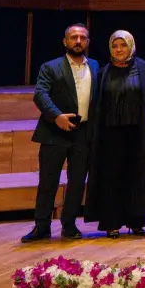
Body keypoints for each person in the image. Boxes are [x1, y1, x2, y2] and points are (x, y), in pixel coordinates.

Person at [24, 24, 99, 243]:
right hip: (54, 132)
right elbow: (40, 94)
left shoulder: (95, 66)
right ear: (65, 41)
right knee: (48, 183)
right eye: (73, 37)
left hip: (83, 134)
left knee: (77, 183)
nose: (78, 41)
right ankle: (42, 226)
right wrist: (57, 116)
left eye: (82, 37)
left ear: (88, 42)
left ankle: (69, 224)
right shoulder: (51, 66)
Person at [83, 30, 145, 238]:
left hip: (138, 133)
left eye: (123, 45)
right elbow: (95, 104)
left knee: (137, 177)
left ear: (131, 46)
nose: (119, 50)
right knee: (111, 178)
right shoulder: (103, 72)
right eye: (115, 46)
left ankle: (136, 221)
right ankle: (112, 222)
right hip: (109, 135)